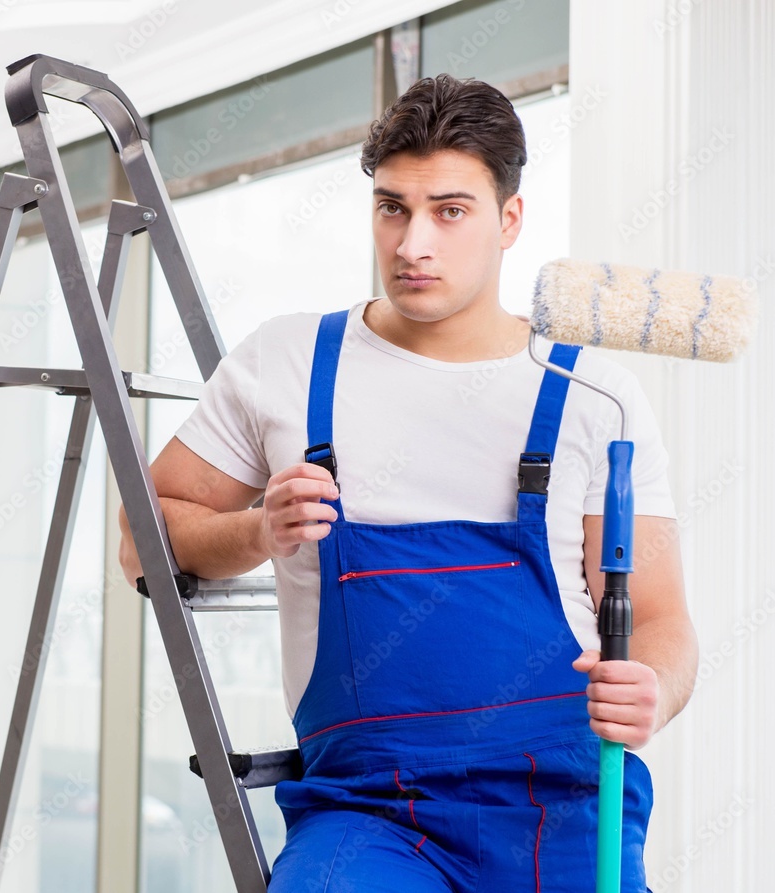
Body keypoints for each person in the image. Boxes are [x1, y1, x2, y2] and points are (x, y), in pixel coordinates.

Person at [119, 74, 697, 892]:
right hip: (368, 813)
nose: (412, 243)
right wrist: (257, 531)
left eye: (449, 211)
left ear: (509, 219)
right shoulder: (287, 363)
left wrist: (654, 693)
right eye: (392, 208)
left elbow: (664, 620)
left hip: (562, 803)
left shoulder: (594, 395)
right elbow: (139, 540)